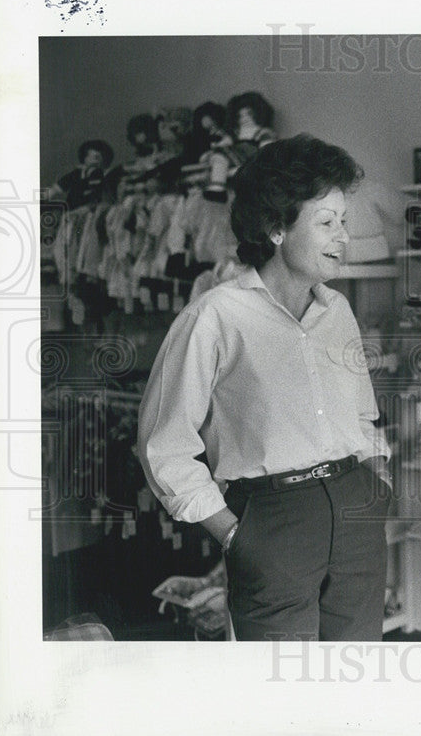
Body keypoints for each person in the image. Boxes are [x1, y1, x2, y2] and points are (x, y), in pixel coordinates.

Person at [138, 134, 392, 641]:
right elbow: (164, 446)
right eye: (326, 222)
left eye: (344, 221)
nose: (342, 236)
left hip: (356, 509)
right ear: (276, 227)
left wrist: (378, 479)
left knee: (359, 680)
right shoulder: (213, 317)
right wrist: (233, 534)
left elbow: (362, 415)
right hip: (272, 521)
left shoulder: (337, 310)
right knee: (282, 695)